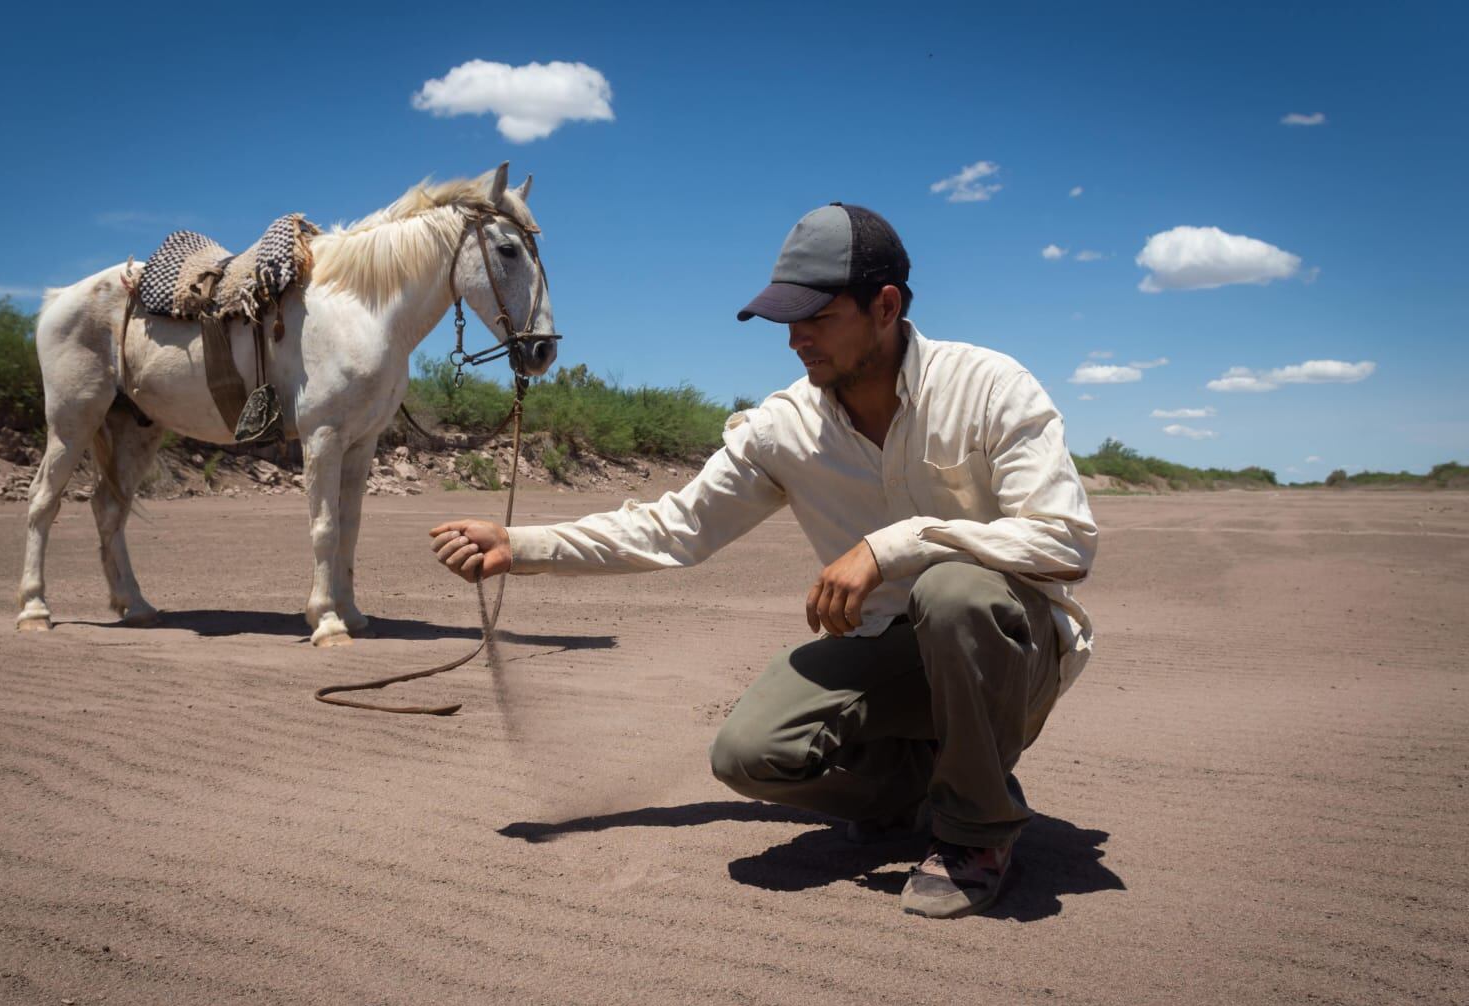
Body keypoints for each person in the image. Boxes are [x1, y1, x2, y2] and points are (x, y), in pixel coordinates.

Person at [429, 203, 1097, 919]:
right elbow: (676, 526)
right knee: (750, 754)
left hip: (1007, 654)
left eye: (817, 318)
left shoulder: (989, 387)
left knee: (957, 592)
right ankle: (929, 787)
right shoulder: (786, 426)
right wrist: (520, 544)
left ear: (886, 306)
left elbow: (1064, 540)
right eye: (786, 320)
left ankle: (978, 831)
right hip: (892, 653)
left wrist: (891, 546)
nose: (796, 340)